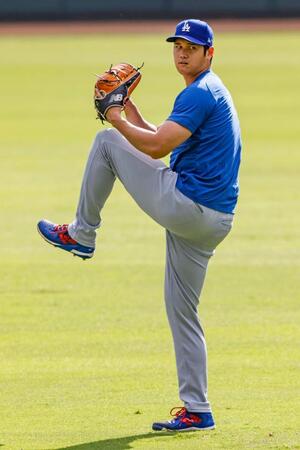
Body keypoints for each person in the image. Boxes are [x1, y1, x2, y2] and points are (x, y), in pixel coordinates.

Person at [37, 19, 241, 432]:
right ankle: (198, 410)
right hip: (214, 219)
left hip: (190, 207)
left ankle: (82, 234)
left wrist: (113, 115)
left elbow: (156, 147)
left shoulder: (200, 93)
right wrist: (131, 112)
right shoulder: (208, 91)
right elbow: (160, 135)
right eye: (177, 46)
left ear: (209, 53)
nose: (182, 53)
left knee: (105, 144)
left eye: (192, 47)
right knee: (183, 312)